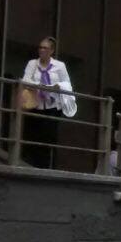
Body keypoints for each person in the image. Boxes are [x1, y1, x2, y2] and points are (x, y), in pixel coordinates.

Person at [19, 36, 76, 168]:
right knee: (32, 137)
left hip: (52, 106)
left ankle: (45, 166)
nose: (41, 50)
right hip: (35, 105)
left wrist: (55, 86)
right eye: (40, 47)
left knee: (48, 138)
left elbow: (67, 83)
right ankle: (30, 164)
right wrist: (39, 85)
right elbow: (25, 80)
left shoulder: (60, 66)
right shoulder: (32, 64)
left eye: (45, 48)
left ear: (51, 50)